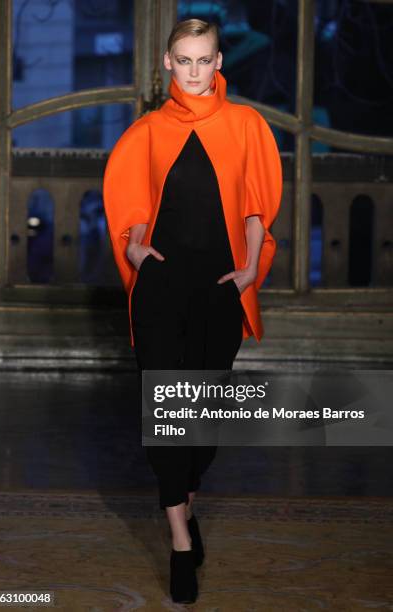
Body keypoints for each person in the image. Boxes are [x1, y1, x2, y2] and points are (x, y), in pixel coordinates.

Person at [103, 18, 283, 605]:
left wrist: (253, 269)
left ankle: (187, 498)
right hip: (161, 284)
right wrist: (134, 247)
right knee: (165, 406)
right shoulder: (148, 131)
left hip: (221, 285)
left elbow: (257, 208)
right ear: (167, 63)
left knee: (204, 415)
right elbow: (130, 205)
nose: (196, 71)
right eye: (185, 60)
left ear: (219, 61)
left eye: (205, 60)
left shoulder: (247, 126)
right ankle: (180, 535)